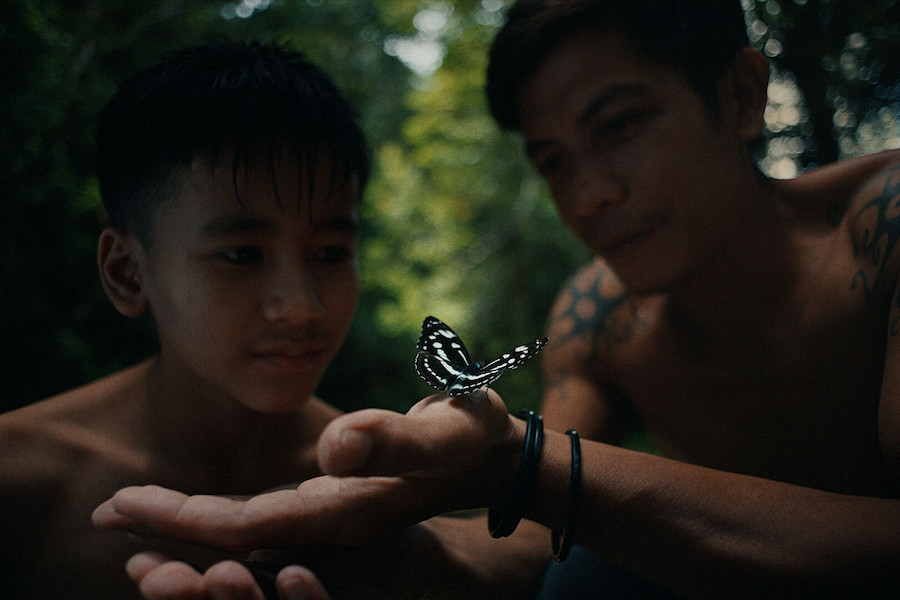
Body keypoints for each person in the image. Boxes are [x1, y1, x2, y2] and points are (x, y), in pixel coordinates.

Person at [92, 0, 900, 598]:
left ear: (739, 96)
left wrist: (524, 466)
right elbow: (543, 538)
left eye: (618, 126)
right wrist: (392, 554)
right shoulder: (597, 319)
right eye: (553, 162)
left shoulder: (888, 228)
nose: (590, 196)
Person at [0, 40, 370, 599]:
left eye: (331, 254)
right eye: (242, 254)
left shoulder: (375, 491)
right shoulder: (20, 480)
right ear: (127, 272)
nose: (301, 306)